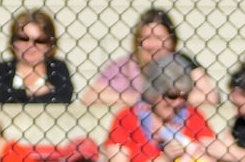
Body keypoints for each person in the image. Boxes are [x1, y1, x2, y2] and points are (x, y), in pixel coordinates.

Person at [104, 53, 223, 162]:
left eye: (184, 96)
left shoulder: (193, 117)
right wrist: (164, 160)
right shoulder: (127, 119)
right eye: (172, 96)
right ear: (154, 92)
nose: (178, 103)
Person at [82, 8, 218, 110]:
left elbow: (210, 97)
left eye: (159, 38)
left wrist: (169, 100)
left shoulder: (182, 62)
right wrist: (139, 99)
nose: (152, 45)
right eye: (146, 38)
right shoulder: (125, 65)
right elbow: (90, 97)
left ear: (172, 41)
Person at [0, 9, 75, 104]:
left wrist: (13, 95)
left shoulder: (57, 68)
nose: (31, 46)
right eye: (23, 39)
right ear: (13, 42)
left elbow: (63, 98)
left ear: (50, 45)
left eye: (40, 40)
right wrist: (28, 93)